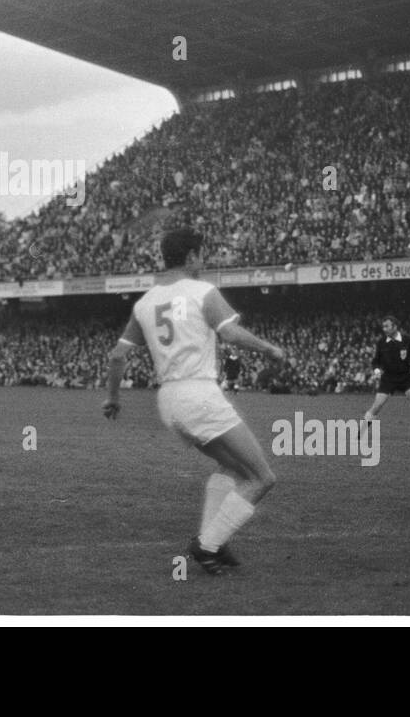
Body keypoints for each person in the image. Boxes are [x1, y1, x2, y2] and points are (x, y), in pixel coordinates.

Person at [103, 227, 285, 575]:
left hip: (169, 401)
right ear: (190, 257)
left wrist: (112, 399)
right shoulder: (203, 292)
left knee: (232, 469)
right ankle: (207, 544)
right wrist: (269, 349)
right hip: (199, 393)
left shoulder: (145, 303)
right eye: (201, 254)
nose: (204, 261)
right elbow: (229, 332)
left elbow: (116, 356)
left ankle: (214, 539)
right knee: (262, 478)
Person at [362, 315, 410, 442]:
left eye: (387, 326)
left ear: (395, 327)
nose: (384, 329)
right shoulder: (381, 342)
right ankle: (360, 433)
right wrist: (377, 369)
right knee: (377, 406)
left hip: (405, 378)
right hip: (388, 379)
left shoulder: (407, 340)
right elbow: (375, 361)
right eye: (383, 327)